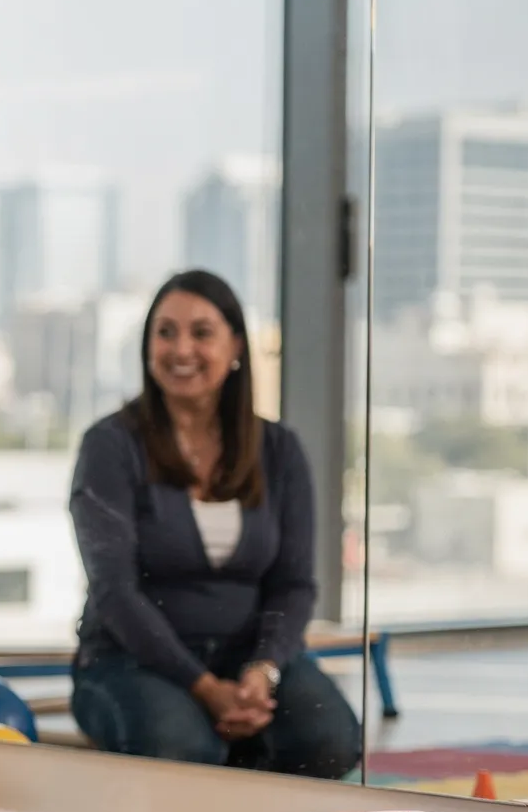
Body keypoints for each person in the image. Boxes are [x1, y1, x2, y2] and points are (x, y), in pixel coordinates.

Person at [67, 269, 359, 779]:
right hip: (131, 662)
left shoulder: (279, 450)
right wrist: (205, 687)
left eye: (201, 332)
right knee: (179, 749)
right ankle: (223, 751)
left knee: (331, 741)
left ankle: (238, 754)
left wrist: (260, 672)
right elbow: (115, 592)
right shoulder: (109, 447)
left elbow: (294, 585)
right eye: (165, 332)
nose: (181, 350)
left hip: (249, 662)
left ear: (236, 347)